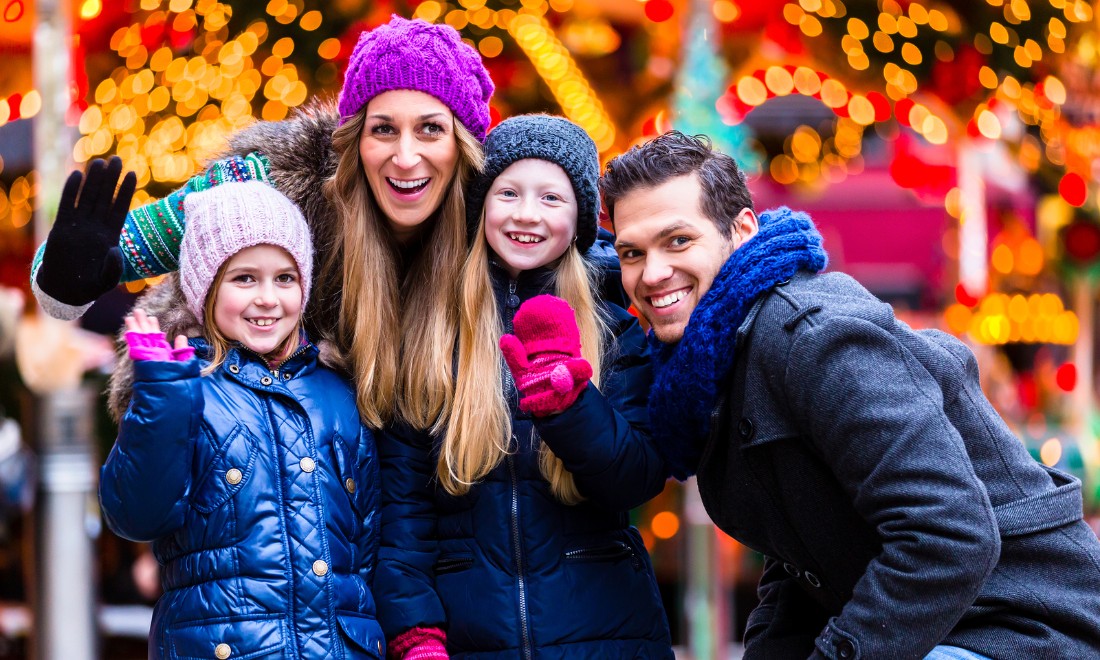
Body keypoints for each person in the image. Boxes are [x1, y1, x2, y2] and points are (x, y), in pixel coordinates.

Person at [600, 131, 1100, 660]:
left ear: (742, 230)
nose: (652, 273)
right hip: (940, 626)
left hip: (1023, 626)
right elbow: (801, 562)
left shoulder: (813, 339)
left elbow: (948, 535)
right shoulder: (711, 363)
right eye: (633, 252)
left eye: (678, 241)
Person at [30, 15, 493, 432]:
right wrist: (65, 278)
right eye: (384, 129)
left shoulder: (493, 225)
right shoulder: (267, 185)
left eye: (431, 128)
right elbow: (106, 253)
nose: (406, 156)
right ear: (354, 138)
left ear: (463, 145)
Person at [374, 115, 673, 658]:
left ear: (580, 217)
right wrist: (414, 626)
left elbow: (637, 479)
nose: (526, 214)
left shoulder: (615, 329)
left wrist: (572, 410)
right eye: (508, 192)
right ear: (481, 205)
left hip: (604, 629)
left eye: (551, 198)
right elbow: (403, 507)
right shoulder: (433, 332)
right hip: (470, 631)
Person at [100, 181, 384, 658]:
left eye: (285, 278)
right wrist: (162, 400)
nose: (268, 298)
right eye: (245, 278)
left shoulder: (338, 393)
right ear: (205, 288)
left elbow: (368, 538)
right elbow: (136, 513)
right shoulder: (186, 391)